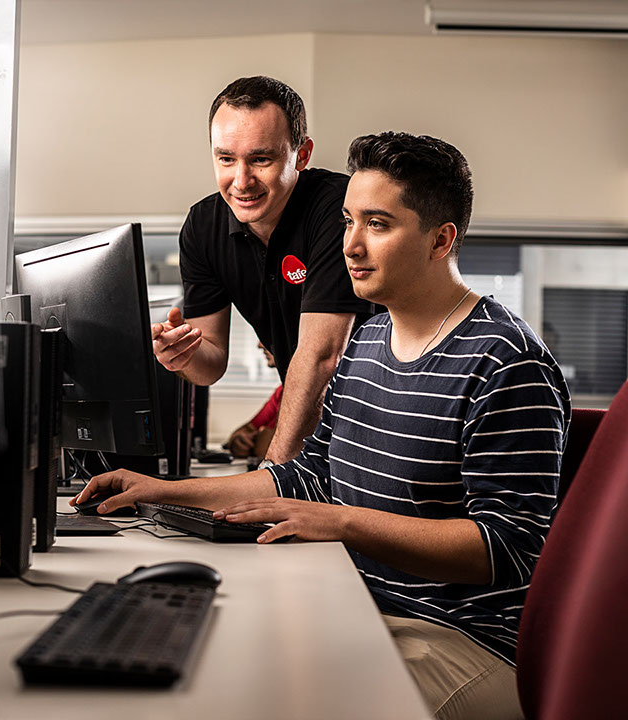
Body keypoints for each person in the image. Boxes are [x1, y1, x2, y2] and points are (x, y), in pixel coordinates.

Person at [76, 132, 570, 720]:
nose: (351, 247)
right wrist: (159, 491)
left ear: (441, 240)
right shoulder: (368, 341)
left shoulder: (506, 362)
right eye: (347, 221)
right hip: (359, 604)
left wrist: (340, 522)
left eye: (378, 225)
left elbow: (511, 550)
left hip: (462, 640)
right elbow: (304, 479)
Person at [152, 75, 375, 464]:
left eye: (260, 159)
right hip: (311, 421)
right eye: (226, 159)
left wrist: (274, 471)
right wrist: (183, 356)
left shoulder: (338, 208)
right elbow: (211, 363)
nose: (241, 181)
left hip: (378, 420)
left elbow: (323, 354)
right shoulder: (203, 228)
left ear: (301, 155)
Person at [225, 343, 283, 461]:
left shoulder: (309, 392)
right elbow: (245, 430)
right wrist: (238, 442)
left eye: (271, 334)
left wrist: (257, 441)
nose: (259, 345)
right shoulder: (281, 391)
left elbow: (266, 449)